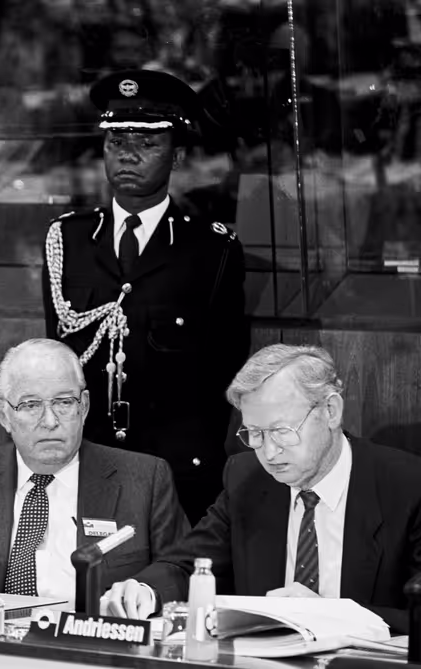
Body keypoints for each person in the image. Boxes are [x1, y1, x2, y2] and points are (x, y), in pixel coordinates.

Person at [100, 344, 421, 633]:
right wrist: (143, 590)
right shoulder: (246, 478)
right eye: (254, 434)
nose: (269, 453)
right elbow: (191, 565)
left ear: (331, 411)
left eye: (282, 432)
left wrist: (337, 616)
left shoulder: (416, 490)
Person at [42, 68, 249, 524]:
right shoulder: (67, 241)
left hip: (175, 469)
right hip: (85, 457)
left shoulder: (211, 250)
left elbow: (225, 370)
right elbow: (56, 360)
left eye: (147, 144)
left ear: (176, 158)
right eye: (116, 142)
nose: (128, 156)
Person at [0, 339, 189, 605]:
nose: (50, 421)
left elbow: (182, 568)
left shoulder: (144, 478)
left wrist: (146, 589)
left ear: (84, 406)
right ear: (4, 415)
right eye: (30, 405)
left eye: (64, 402)